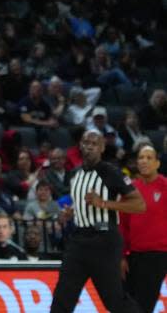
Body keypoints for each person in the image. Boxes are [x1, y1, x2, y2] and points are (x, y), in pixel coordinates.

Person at [50, 130, 145, 313]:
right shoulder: (74, 173)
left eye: (94, 143)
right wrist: (71, 212)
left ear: (102, 148)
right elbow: (81, 202)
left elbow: (139, 204)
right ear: (80, 146)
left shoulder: (111, 172)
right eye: (86, 143)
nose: (89, 147)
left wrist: (103, 203)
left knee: (114, 300)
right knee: (62, 297)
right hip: (79, 241)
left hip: (104, 241)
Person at [120, 144, 167, 313]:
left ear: (157, 163)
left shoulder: (165, 187)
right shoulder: (130, 190)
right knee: (127, 304)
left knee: (143, 305)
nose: (144, 161)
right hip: (132, 256)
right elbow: (123, 226)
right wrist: (121, 256)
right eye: (141, 158)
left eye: (149, 158)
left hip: (157, 256)